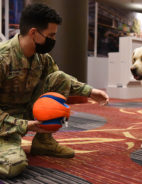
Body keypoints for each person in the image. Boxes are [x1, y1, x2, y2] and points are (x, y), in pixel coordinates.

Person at [0, 3, 109, 179]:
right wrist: (23, 125)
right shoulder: (2, 58)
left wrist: (90, 91)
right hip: (4, 123)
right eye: (50, 35)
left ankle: (44, 142)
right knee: (14, 166)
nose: (53, 40)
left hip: (26, 112)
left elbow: (60, 80)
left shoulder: (41, 57)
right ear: (34, 33)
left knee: (60, 76)